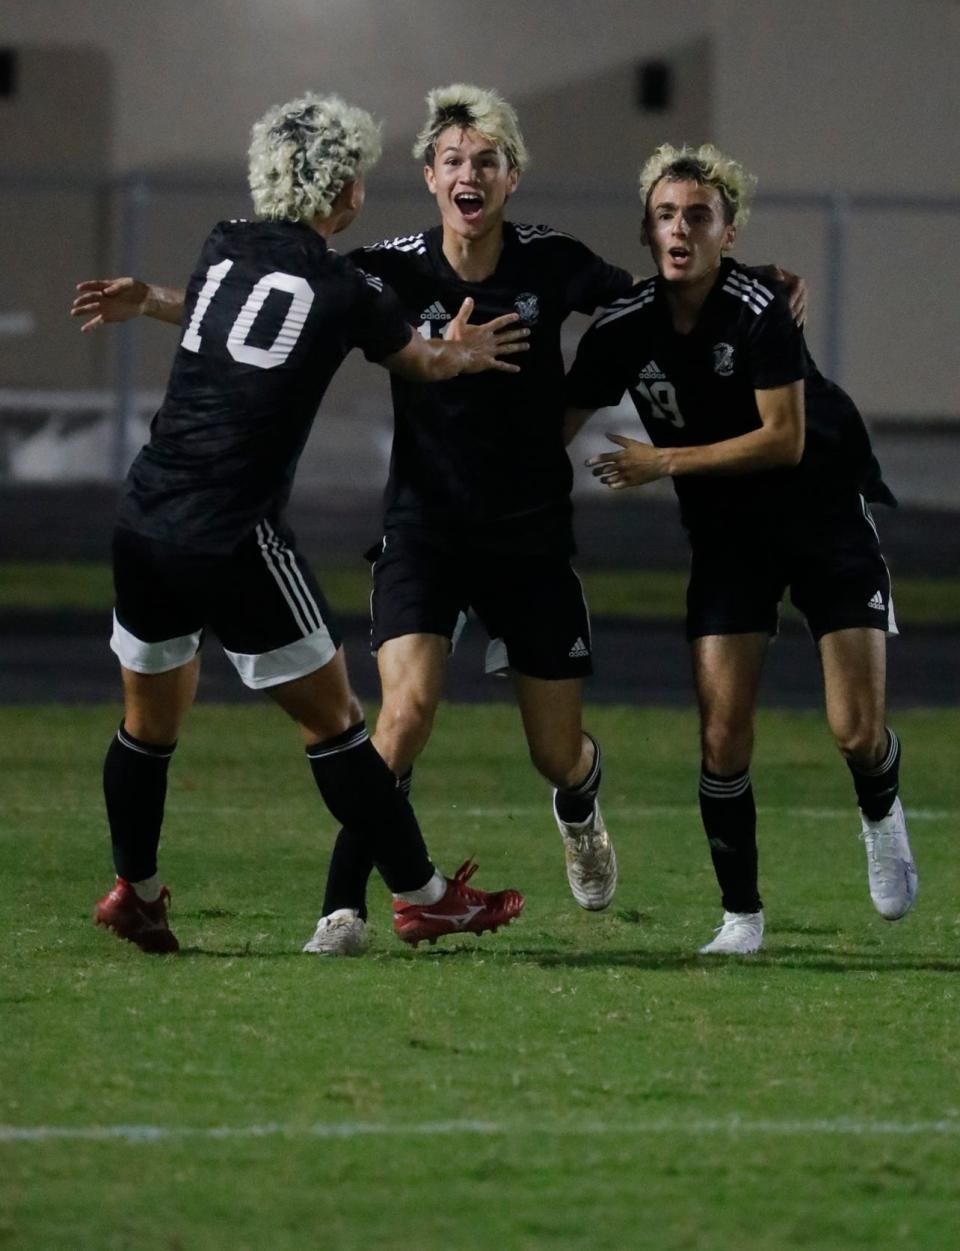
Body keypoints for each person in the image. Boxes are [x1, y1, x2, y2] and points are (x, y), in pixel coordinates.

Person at [74, 88, 807, 958]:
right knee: (388, 720)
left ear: (511, 178)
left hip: (524, 535)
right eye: (453, 160)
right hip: (418, 528)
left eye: (486, 161)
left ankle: (574, 801)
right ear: (427, 178)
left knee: (553, 750)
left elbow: (658, 295)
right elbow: (287, 313)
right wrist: (445, 356)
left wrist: (752, 284)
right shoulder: (382, 270)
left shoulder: (551, 260)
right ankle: (345, 909)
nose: (469, 173)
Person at [74, 91, 527, 954]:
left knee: (148, 725)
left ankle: (136, 889)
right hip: (233, 531)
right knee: (339, 725)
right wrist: (461, 353)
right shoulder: (342, 286)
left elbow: (225, 306)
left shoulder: (223, 244)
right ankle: (424, 894)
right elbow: (421, 358)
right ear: (344, 191)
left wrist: (147, 297)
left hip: (147, 518)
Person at [563, 142, 917, 955]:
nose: (680, 228)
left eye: (698, 215)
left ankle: (881, 810)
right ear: (646, 233)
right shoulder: (624, 327)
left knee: (855, 731)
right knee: (722, 736)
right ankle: (742, 916)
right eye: (664, 215)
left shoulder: (759, 306)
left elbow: (784, 440)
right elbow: (555, 426)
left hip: (823, 515)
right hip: (728, 539)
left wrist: (662, 462)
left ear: (729, 230)